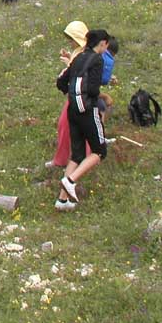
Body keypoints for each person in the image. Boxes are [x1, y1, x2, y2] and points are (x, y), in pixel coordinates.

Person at [54, 29, 111, 211]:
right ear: (102, 43)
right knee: (99, 151)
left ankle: (62, 201)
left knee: (77, 155)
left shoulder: (78, 57)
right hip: (88, 110)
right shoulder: (97, 60)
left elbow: (61, 82)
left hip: (72, 111)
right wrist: (100, 97)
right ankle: (70, 181)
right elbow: (93, 89)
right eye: (106, 45)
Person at [46, 21, 89, 170]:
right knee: (66, 126)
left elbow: (79, 73)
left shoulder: (86, 54)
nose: (70, 42)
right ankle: (70, 159)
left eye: (72, 39)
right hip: (75, 95)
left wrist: (68, 66)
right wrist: (69, 58)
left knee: (69, 126)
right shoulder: (80, 51)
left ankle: (68, 160)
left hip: (80, 96)